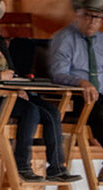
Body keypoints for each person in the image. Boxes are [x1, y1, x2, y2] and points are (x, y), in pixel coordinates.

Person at [0, 0, 80, 182]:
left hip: (9, 94)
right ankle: (22, 165)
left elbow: (11, 71)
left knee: (51, 111)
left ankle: (57, 168)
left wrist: (18, 87)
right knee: (30, 110)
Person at [49, 0, 103, 147]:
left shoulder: (101, 40)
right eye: (87, 15)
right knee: (99, 109)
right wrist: (81, 82)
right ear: (77, 15)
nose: (92, 21)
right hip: (78, 95)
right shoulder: (64, 39)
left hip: (100, 94)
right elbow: (58, 74)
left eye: (97, 17)